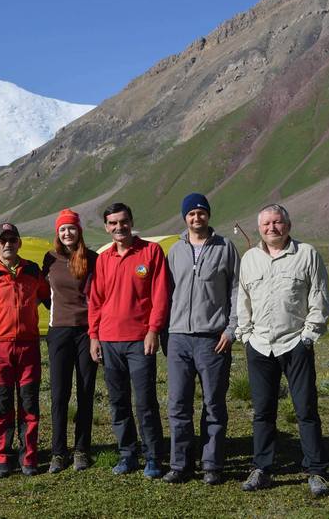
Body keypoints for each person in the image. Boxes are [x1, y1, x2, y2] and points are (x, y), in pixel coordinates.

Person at [236, 204, 329, 497]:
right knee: (263, 411)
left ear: (288, 225)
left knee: (305, 409)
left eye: (277, 222)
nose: (271, 228)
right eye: (265, 224)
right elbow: (243, 298)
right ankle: (262, 468)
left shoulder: (307, 255)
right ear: (259, 228)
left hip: (295, 343)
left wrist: (309, 336)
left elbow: (320, 296)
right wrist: (246, 334)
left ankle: (315, 471)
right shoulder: (250, 259)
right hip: (260, 345)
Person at [88, 202, 170, 478]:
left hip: (139, 340)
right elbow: (96, 301)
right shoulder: (103, 259)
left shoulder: (151, 252)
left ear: (131, 221)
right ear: (106, 227)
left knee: (145, 401)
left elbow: (160, 296)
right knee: (118, 401)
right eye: (113, 223)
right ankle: (127, 454)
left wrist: (153, 330)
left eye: (123, 221)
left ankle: (153, 456)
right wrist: (94, 336)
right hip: (109, 341)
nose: (119, 227)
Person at [163, 193, 239, 486]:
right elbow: (166, 295)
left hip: (213, 338)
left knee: (214, 403)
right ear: (185, 217)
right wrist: (164, 333)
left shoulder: (225, 247)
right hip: (179, 336)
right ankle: (180, 464)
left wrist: (231, 329)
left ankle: (212, 464)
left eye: (201, 213)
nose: (197, 218)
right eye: (192, 214)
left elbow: (236, 291)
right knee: (178, 404)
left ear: (208, 215)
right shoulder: (175, 251)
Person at [0, 222, 49, 478]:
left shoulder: (32, 271)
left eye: (12, 239)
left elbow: (48, 296)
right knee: (2, 406)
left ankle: (29, 457)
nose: (7, 244)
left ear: (19, 243)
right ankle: (3, 457)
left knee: (29, 404)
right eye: (2, 240)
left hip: (28, 348)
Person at [41, 209, 98, 473]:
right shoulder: (49, 259)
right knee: (59, 393)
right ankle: (58, 452)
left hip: (87, 332)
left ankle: (82, 449)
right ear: (57, 232)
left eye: (71, 228)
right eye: (63, 229)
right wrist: (57, 312)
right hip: (59, 332)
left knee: (86, 391)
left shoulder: (92, 258)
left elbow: (100, 296)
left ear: (79, 230)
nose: (67, 233)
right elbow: (44, 292)